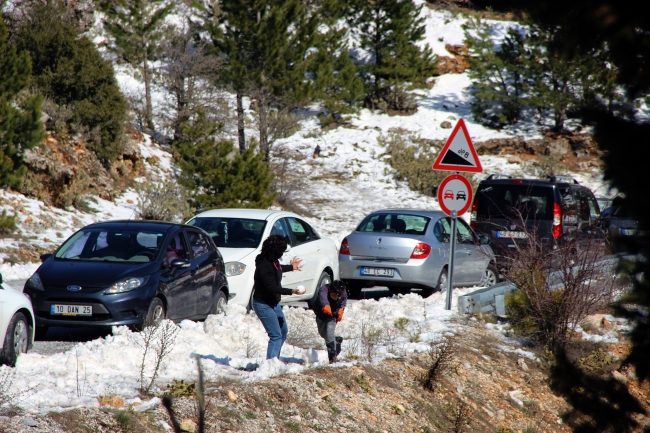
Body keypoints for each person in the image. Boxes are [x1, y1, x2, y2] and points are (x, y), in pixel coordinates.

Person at [252, 234, 303, 360]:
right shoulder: (264, 265)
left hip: (273, 303)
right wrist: (292, 291)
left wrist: (292, 267)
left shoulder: (272, 261)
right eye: (281, 250)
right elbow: (272, 287)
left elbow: (278, 269)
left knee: (283, 331)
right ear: (275, 251)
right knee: (275, 336)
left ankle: (275, 359)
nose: (282, 253)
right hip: (263, 304)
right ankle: (271, 364)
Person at [312, 280, 348, 363]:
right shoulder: (324, 289)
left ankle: (332, 358)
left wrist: (341, 309)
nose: (337, 298)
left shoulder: (343, 292)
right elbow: (323, 298)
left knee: (329, 334)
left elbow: (344, 300)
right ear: (330, 291)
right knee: (323, 334)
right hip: (321, 314)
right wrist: (326, 306)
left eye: (339, 296)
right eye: (335, 295)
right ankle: (336, 341)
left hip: (333, 315)